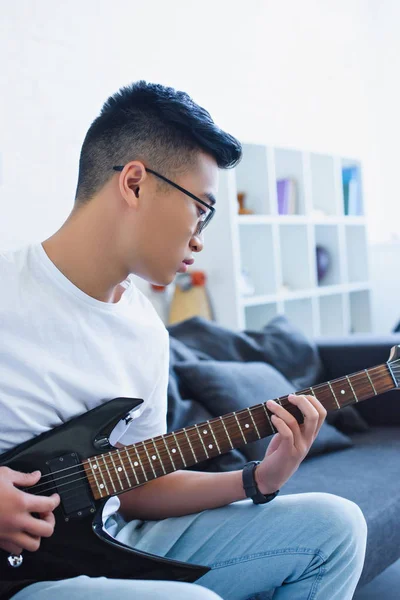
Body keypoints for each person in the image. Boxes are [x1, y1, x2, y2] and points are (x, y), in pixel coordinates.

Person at [0, 81, 367, 600]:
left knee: (336, 527)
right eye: (202, 209)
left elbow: (134, 486)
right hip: (24, 578)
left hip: (111, 541)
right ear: (134, 184)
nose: (200, 237)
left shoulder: (146, 331)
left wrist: (258, 478)